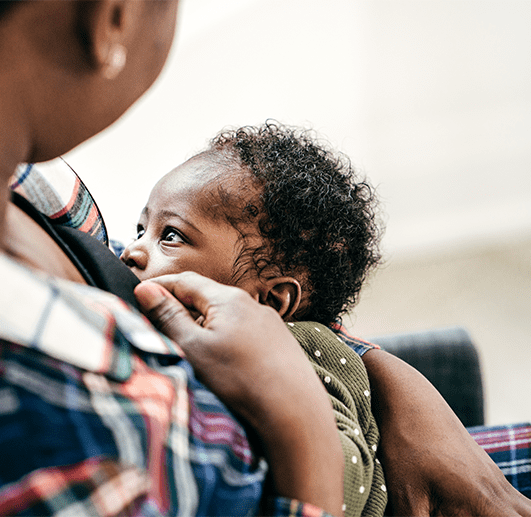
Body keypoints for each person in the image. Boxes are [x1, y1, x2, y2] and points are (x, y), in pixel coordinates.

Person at [0, 1, 531, 516]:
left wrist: (387, 379)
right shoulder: (44, 462)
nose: (136, 250)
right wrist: (300, 426)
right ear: (110, 16)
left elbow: (240, 306)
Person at [120, 122, 387, 517]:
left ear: (271, 301)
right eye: (141, 229)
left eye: (170, 236)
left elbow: (350, 479)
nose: (132, 252)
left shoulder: (305, 348)